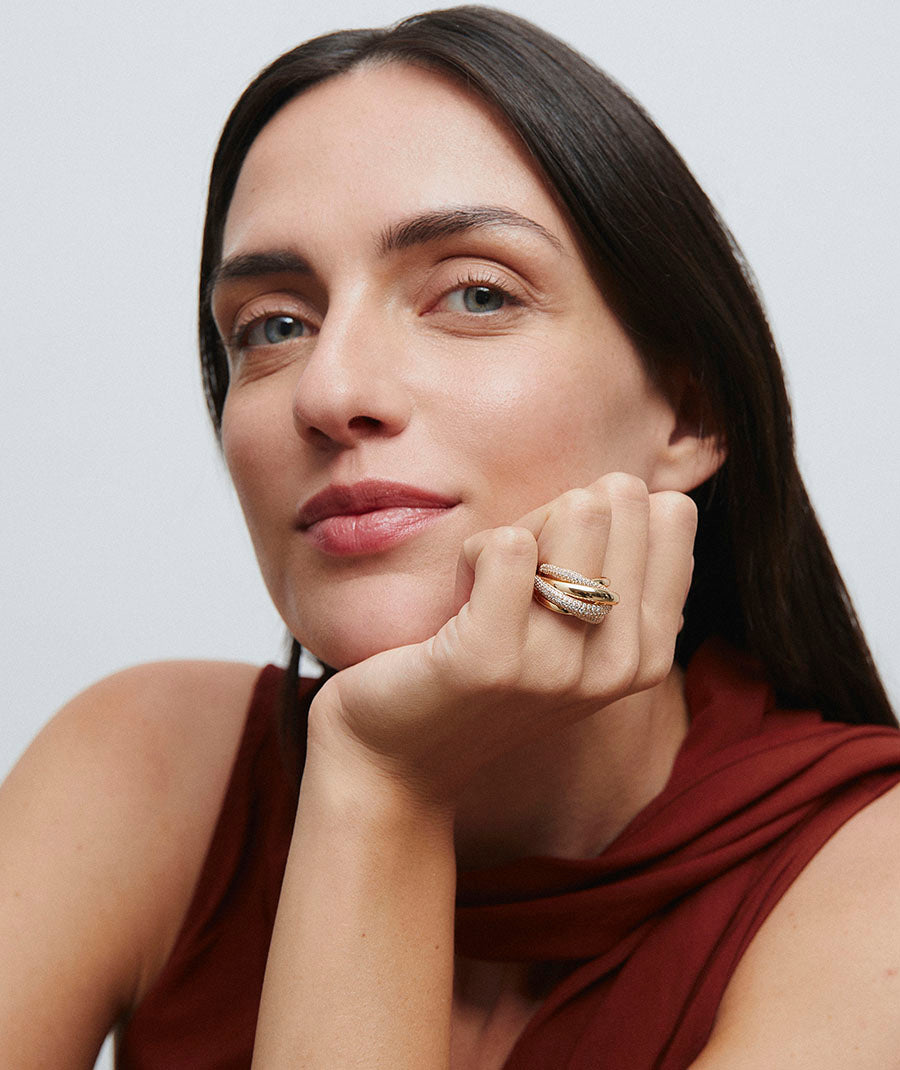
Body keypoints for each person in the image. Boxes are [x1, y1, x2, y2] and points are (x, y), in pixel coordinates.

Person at [3, 6, 900, 1068]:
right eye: (275, 325)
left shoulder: (872, 879)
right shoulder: (150, 770)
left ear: (690, 413)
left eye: (475, 293)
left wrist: (384, 783)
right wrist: (381, 775)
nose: (330, 391)